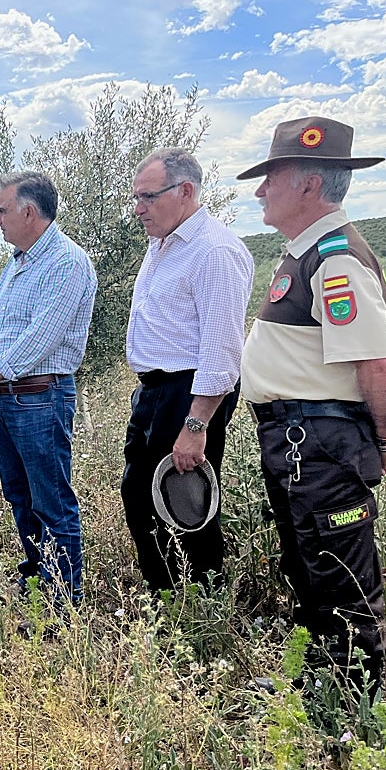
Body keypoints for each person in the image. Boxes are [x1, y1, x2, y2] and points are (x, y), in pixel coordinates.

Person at [238, 116, 386, 697]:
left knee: (341, 582)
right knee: (310, 565)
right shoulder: (305, 253)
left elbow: (380, 365)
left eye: (271, 177)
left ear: (309, 184)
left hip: (322, 445)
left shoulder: (336, 260)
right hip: (298, 441)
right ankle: (318, 694)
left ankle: (357, 717)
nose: (259, 190)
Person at [123, 148, 254, 590]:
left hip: (189, 392)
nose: (138, 208)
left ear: (185, 191)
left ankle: (202, 605)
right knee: (141, 496)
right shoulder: (163, 243)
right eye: (135, 197)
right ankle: (164, 598)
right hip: (157, 391)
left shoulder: (213, 250)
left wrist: (195, 423)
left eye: (147, 197)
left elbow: (221, 351)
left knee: (185, 505)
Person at [0, 171, 96, 603]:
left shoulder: (67, 263)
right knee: (21, 497)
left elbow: (44, 336)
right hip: (8, 398)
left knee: (51, 500)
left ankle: (62, 603)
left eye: (1, 211)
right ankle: (36, 582)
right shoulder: (18, 263)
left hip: (40, 397)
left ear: (28, 212)